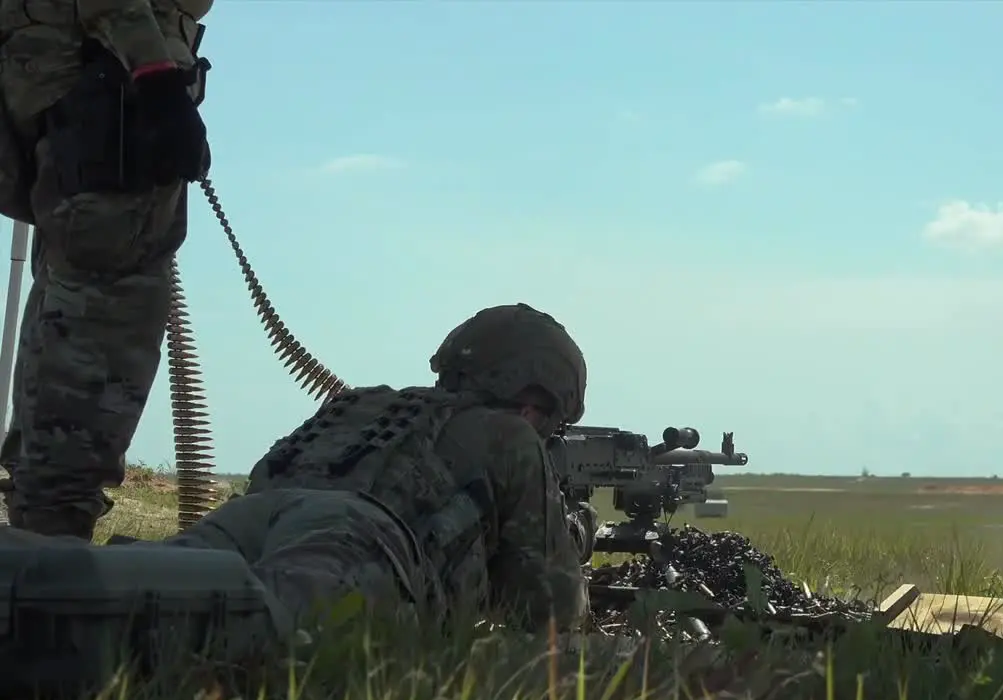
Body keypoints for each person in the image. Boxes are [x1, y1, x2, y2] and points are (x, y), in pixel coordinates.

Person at [158, 303, 597, 635]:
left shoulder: (359, 403)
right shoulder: (511, 435)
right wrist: (573, 539)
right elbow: (548, 607)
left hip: (248, 515)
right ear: (532, 403)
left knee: (139, 596)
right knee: (245, 633)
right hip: (356, 538)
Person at [0, 0, 214, 539]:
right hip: (112, 110)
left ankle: (37, 566)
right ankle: (45, 599)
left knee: (69, 337)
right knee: (93, 359)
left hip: (87, 112)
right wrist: (156, 75)